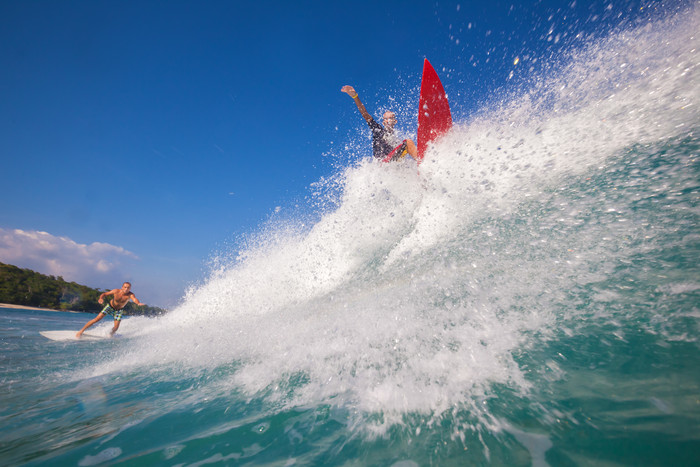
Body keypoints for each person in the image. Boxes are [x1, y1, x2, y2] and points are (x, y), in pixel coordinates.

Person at [341, 85, 418, 161]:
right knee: (408, 142)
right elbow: (365, 114)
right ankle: (421, 163)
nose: (388, 120)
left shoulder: (395, 139)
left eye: (390, 118)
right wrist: (355, 97)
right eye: (385, 119)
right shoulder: (378, 130)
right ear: (383, 123)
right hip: (382, 164)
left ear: (395, 121)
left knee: (405, 153)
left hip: (391, 165)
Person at [76, 282, 145, 338]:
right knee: (96, 319)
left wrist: (138, 303)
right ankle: (81, 331)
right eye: (125, 287)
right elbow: (104, 294)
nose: (126, 289)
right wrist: (101, 298)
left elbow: (134, 299)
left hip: (119, 310)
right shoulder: (116, 291)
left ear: (130, 288)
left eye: (128, 288)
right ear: (122, 287)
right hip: (109, 307)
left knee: (116, 327)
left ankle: (110, 335)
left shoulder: (130, 294)